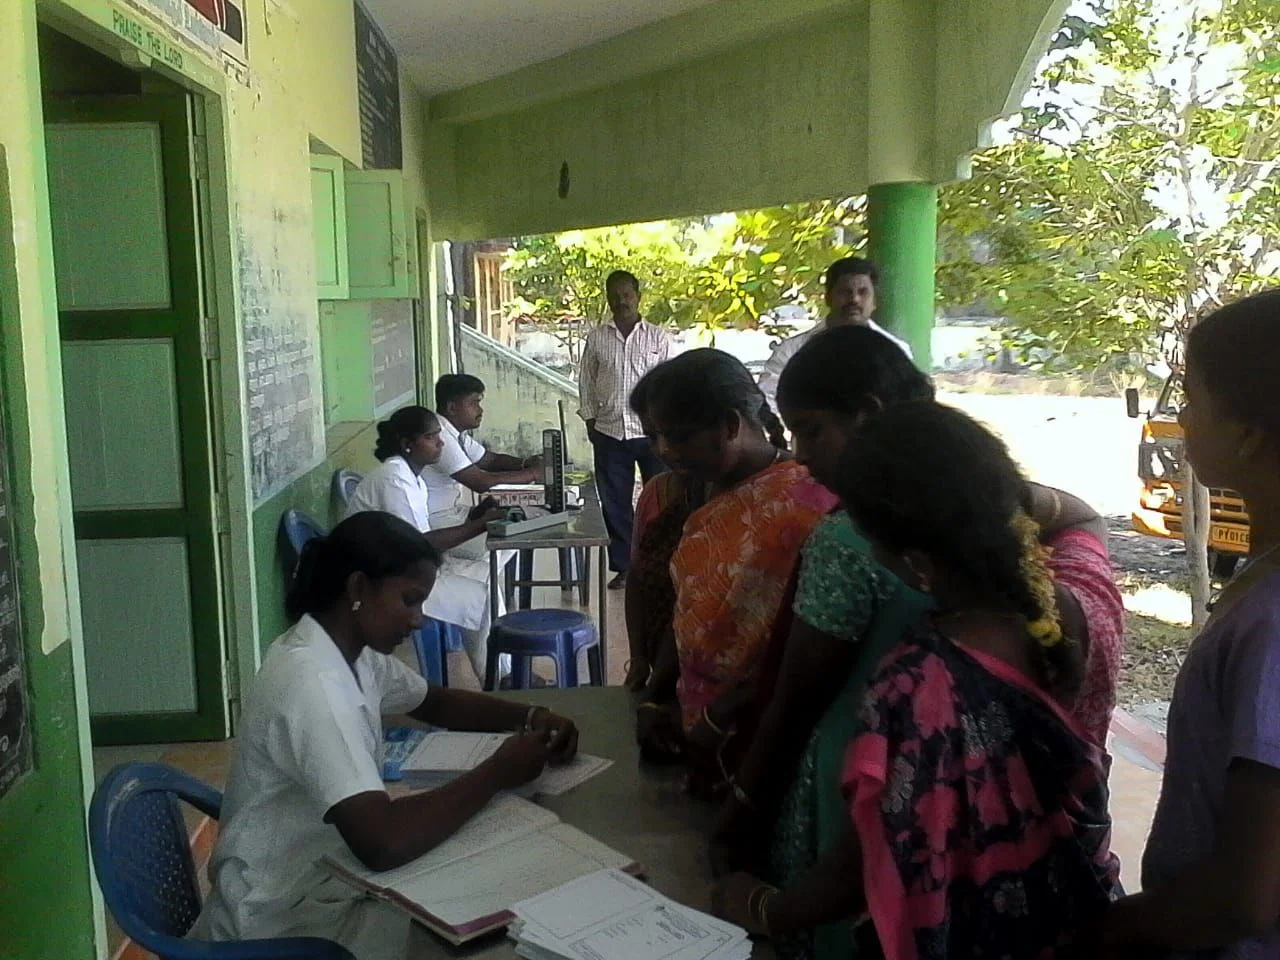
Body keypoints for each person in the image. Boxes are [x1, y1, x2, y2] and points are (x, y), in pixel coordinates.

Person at [711, 327, 1125, 959]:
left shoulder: (919, 687)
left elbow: (867, 863)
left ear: (916, 565)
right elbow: (1085, 517)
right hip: (1072, 921)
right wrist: (1005, 498)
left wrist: (761, 906)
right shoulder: (1086, 598)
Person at [193, 511, 578, 959]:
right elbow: (382, 842)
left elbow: (435, 702)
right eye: (410, 600)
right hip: (282, 919)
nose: (419, 619)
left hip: (323, 876)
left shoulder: (347, 651)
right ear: (358, 588)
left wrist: (530, 715)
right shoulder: (312, 685)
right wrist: (497, 771)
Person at [1101, 290, 1280, 958]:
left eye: (1193, 400)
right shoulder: (1260, 581)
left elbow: (1245, 897)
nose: (1182, 418)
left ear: (1247, 433)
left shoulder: (1270, 624)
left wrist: (1108, 936)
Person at [634, 349, 837, 790]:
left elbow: (809, 655)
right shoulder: (697, 489)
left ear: (729, 425)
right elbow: (688, 610)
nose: (665, 451)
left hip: (765, 736)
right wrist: (655, 698)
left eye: (679, 437)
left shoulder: (809, 503)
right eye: (659, 437)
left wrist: (722, 714)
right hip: (693, 729)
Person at [347, 406, 507, 681]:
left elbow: (418, 537)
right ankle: (499, 678)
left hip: (401, 568)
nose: (440, 443)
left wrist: (474, 517)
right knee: (482, 598)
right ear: (407, 444)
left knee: (486, 577)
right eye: (431, 437)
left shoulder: (411, 476)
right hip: (383, 581)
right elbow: (417, 545)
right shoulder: (394, 479)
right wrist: (478, 525)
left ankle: (503, 672)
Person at [578, 270, 673, 590]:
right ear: (608, 299)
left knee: (660, 500)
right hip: (609, 431)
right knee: (614, 504)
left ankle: (661, 564)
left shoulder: (658, 338)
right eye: (615, 296)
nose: (622, 301)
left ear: (638, 296)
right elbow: (586, 381)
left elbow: (669, 383)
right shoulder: (597, 338)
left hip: (652, 433)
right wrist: (590, 420)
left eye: (627, 294)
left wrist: (667, 427)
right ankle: (626, 567)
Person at [622, 370, 710, 694]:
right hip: (659, 662)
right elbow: (637, 576)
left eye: (675, 435)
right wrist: (638, 658)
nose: (664, 449)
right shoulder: (656, 493)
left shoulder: (736, 504)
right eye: (651, 437)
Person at [757, 257, 912, 415]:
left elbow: (906, 405)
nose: (854, 299)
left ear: (874, 302)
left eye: (863, 292)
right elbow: (767, 401)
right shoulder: (791, 350)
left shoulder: (897, 351)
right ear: (828, 298)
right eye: (845, 292)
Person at [425, 373, 543, 529]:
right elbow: (481, 482)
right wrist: (534, 473)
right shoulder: (440, 436)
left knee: (515, 514)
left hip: (455, 513)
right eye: (474, 403)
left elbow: (489, 460)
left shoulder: (456, 432)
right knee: (521, 528)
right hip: (439, 522)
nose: (480, 410)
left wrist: (525, 463)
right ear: (452, 408)